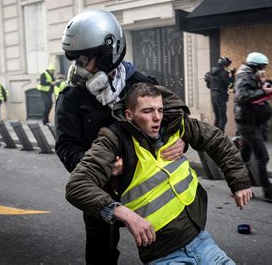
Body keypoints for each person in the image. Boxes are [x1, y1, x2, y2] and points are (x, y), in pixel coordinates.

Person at [66, 82, 252, 264]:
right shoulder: (112, 141)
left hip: (202, 241)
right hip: (163, 255)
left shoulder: (176, 125)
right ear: (129, 115)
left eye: (160, 110)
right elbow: (77, 186)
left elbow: (216, 139)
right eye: (147, 111)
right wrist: (126, 215)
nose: (157, 117)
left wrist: (239, 181)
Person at [55, 9, 185, 264]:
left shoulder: (142, 84)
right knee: (101, 253)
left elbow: (174, 121)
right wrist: (103, 166)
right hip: (101, 191)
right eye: (76, 60)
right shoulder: (71, 98)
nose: (79, 68)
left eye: (84, 59)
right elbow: (66, 147)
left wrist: (180, 140)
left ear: (107, 54)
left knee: (168, 248)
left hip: (149, 186)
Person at [234, 51, 272, 204]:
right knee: (262, 157)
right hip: (248, 123)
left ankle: (238, 187)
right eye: (263, 66)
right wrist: (263, 91)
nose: (264, 69)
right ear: (255, 65)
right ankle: (268, 192)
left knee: (244, 157)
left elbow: (254, 93)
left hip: (250, 122)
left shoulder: (251, 75)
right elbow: (242, 96)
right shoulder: (244, 76)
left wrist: (264, 83)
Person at [205, 56, 233, 132]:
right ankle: (221, 136)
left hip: (213, 97)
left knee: (217, 117)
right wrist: (231, 76)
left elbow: (208, 86)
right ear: (224, 65)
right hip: (221, 97)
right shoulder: (223, 73)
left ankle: (215, 135)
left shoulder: (210, 72)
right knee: (223, 118)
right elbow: (230, 84)